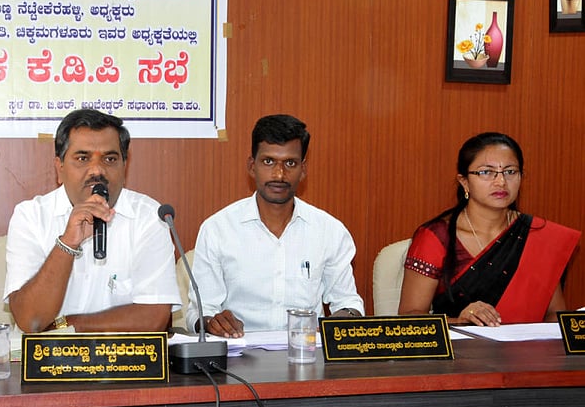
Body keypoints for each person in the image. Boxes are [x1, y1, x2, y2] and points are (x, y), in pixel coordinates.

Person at [3, 109, 180, 333]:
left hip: (123, 361)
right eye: (82, 158)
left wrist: (66, 324)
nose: (97, 170)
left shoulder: (150, 217)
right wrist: (67, 243)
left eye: (110, 159)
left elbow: (153, 319)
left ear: (124, 167)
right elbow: (32, 321)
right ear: (59, 168)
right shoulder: (30, 216)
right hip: (47, 362)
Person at [186, 114, 364, 338]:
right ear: (252, 166)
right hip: (238, 359)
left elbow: (348, 302)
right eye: (268, 162)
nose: (279, 175)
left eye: (290, 163)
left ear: (303, 169)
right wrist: (212, 322)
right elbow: (198, 312)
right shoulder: (218, 229)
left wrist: (343, 318)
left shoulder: (330, 231)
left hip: (306, 356)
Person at [398, 133, 580, 326]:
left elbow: (555, 315)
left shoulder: (539, 235)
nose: (501, 182)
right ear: (464, 181)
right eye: (486, 172)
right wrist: (459, 321)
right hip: (459, 351)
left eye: (510, 172)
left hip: (528, 352)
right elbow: (410, 316)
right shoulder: (437, 237)